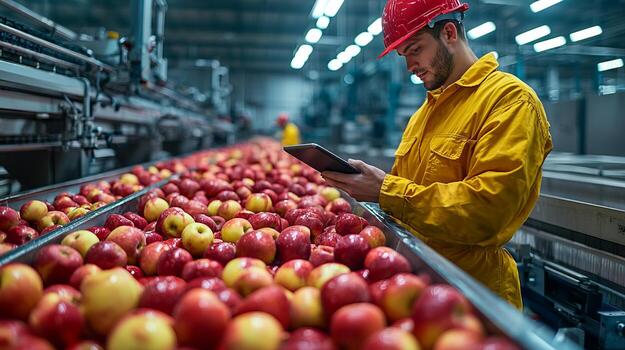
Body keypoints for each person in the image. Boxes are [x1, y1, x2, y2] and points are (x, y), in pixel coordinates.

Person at [322, 0, 552, 310]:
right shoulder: (424, 114)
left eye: (415, 50)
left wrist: (385, 190)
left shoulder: (510, 101)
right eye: (404, 56)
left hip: (472, 294)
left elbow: (488, 213)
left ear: (448, 33)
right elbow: (406, 201)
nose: (409, 67)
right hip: (414, 278)